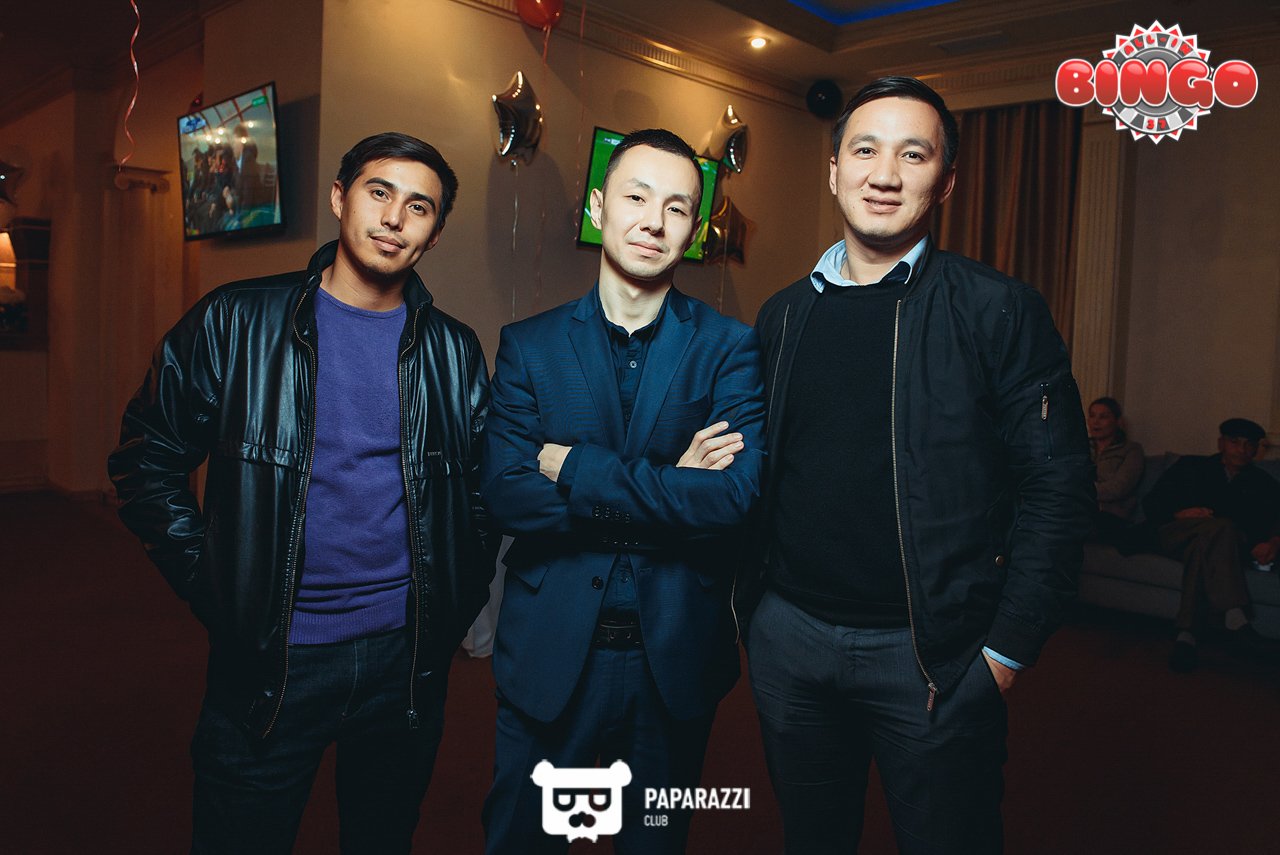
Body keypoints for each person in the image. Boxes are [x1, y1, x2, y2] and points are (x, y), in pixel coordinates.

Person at [108, 132, 493, 854]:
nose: (394, 218)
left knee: (382, 840)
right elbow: (145, 460)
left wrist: (451, 604)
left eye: (419, 207)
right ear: (341, 198)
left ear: (434, 233)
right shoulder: (235, 320)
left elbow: (481, 493)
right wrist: (216, 582)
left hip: (405, 658)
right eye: (379, 192)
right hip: (273, 656)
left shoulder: (454, 350)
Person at [741, 76, 1093, 854]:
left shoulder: (997, 308)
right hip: (790, 642)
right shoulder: (782, 314)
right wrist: (757, 617)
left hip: (931, 656)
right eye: (865, 150)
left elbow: (1058, 487)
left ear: (946, 181)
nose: (885, 174)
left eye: (913, 154)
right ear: (834, 169)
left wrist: (1004, 652)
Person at [480, 128, 765, 854]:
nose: (654, 221)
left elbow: (733, 500)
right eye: (636, 197)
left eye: (676, 207)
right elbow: (506, 494)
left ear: (693, 231)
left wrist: (578, 470)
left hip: (675, 655)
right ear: (599, 207)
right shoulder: (529, 345)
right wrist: (675, 488)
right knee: (524, 842)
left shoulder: (730, 348)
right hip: (550, 653)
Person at [1143, 417, 1280, 672]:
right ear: (1220, 443)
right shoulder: (1191, 466)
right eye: (1234, 442)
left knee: (1207, 543)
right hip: (1175, 533)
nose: (1241, 450)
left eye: (1249, 444)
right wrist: (1180, 514)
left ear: (1256, 450)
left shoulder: (1264, 484)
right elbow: (1151, 504)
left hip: (1218, 546)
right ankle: (1236, 620)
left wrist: (1274, 541)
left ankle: (1186, 637)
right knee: (1222, 527)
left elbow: (1275, 522)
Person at [1088, 396, 1145, 539]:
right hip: (1080, 507)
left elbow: (1118, 488)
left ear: (1117, 421)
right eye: (1092, 416)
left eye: (1103, 417)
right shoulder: (1081, 448)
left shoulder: (1131, 450)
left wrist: (1081, 490)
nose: (1096, 422)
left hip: (1111, 514)